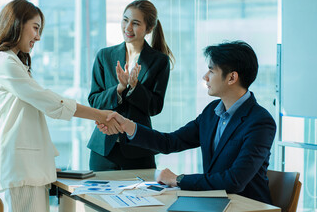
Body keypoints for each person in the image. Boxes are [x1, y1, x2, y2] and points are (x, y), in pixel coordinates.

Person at [0, 0, 120, 212]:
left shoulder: (12, 62)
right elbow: (49, 102)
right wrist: (100, 115)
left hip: (25, 171)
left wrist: (44, 164)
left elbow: (29, 119)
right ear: (17, 23)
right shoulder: (3, 61)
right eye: (35, 28)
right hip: (19, 174)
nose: (38, 37)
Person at [98, 41, 276, 204]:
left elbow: (235, 180)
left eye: (211, 71)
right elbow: (171, 142)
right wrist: (128, 126)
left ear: (232, 78)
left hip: (247, 206)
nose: (205, 77)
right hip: (214, 202)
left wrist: (178, 179)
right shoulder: (212, 112)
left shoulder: (260, 122)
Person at [87, 0, 175, 171]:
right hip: (103, 149)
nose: (127, 28)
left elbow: (155, 107)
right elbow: (94, 101)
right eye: (125, 20)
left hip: (139, 150)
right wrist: (119, 88)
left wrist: (135, 87)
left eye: (135, 23)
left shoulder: (159, 61)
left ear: (149, 29)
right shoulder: (104, 56)